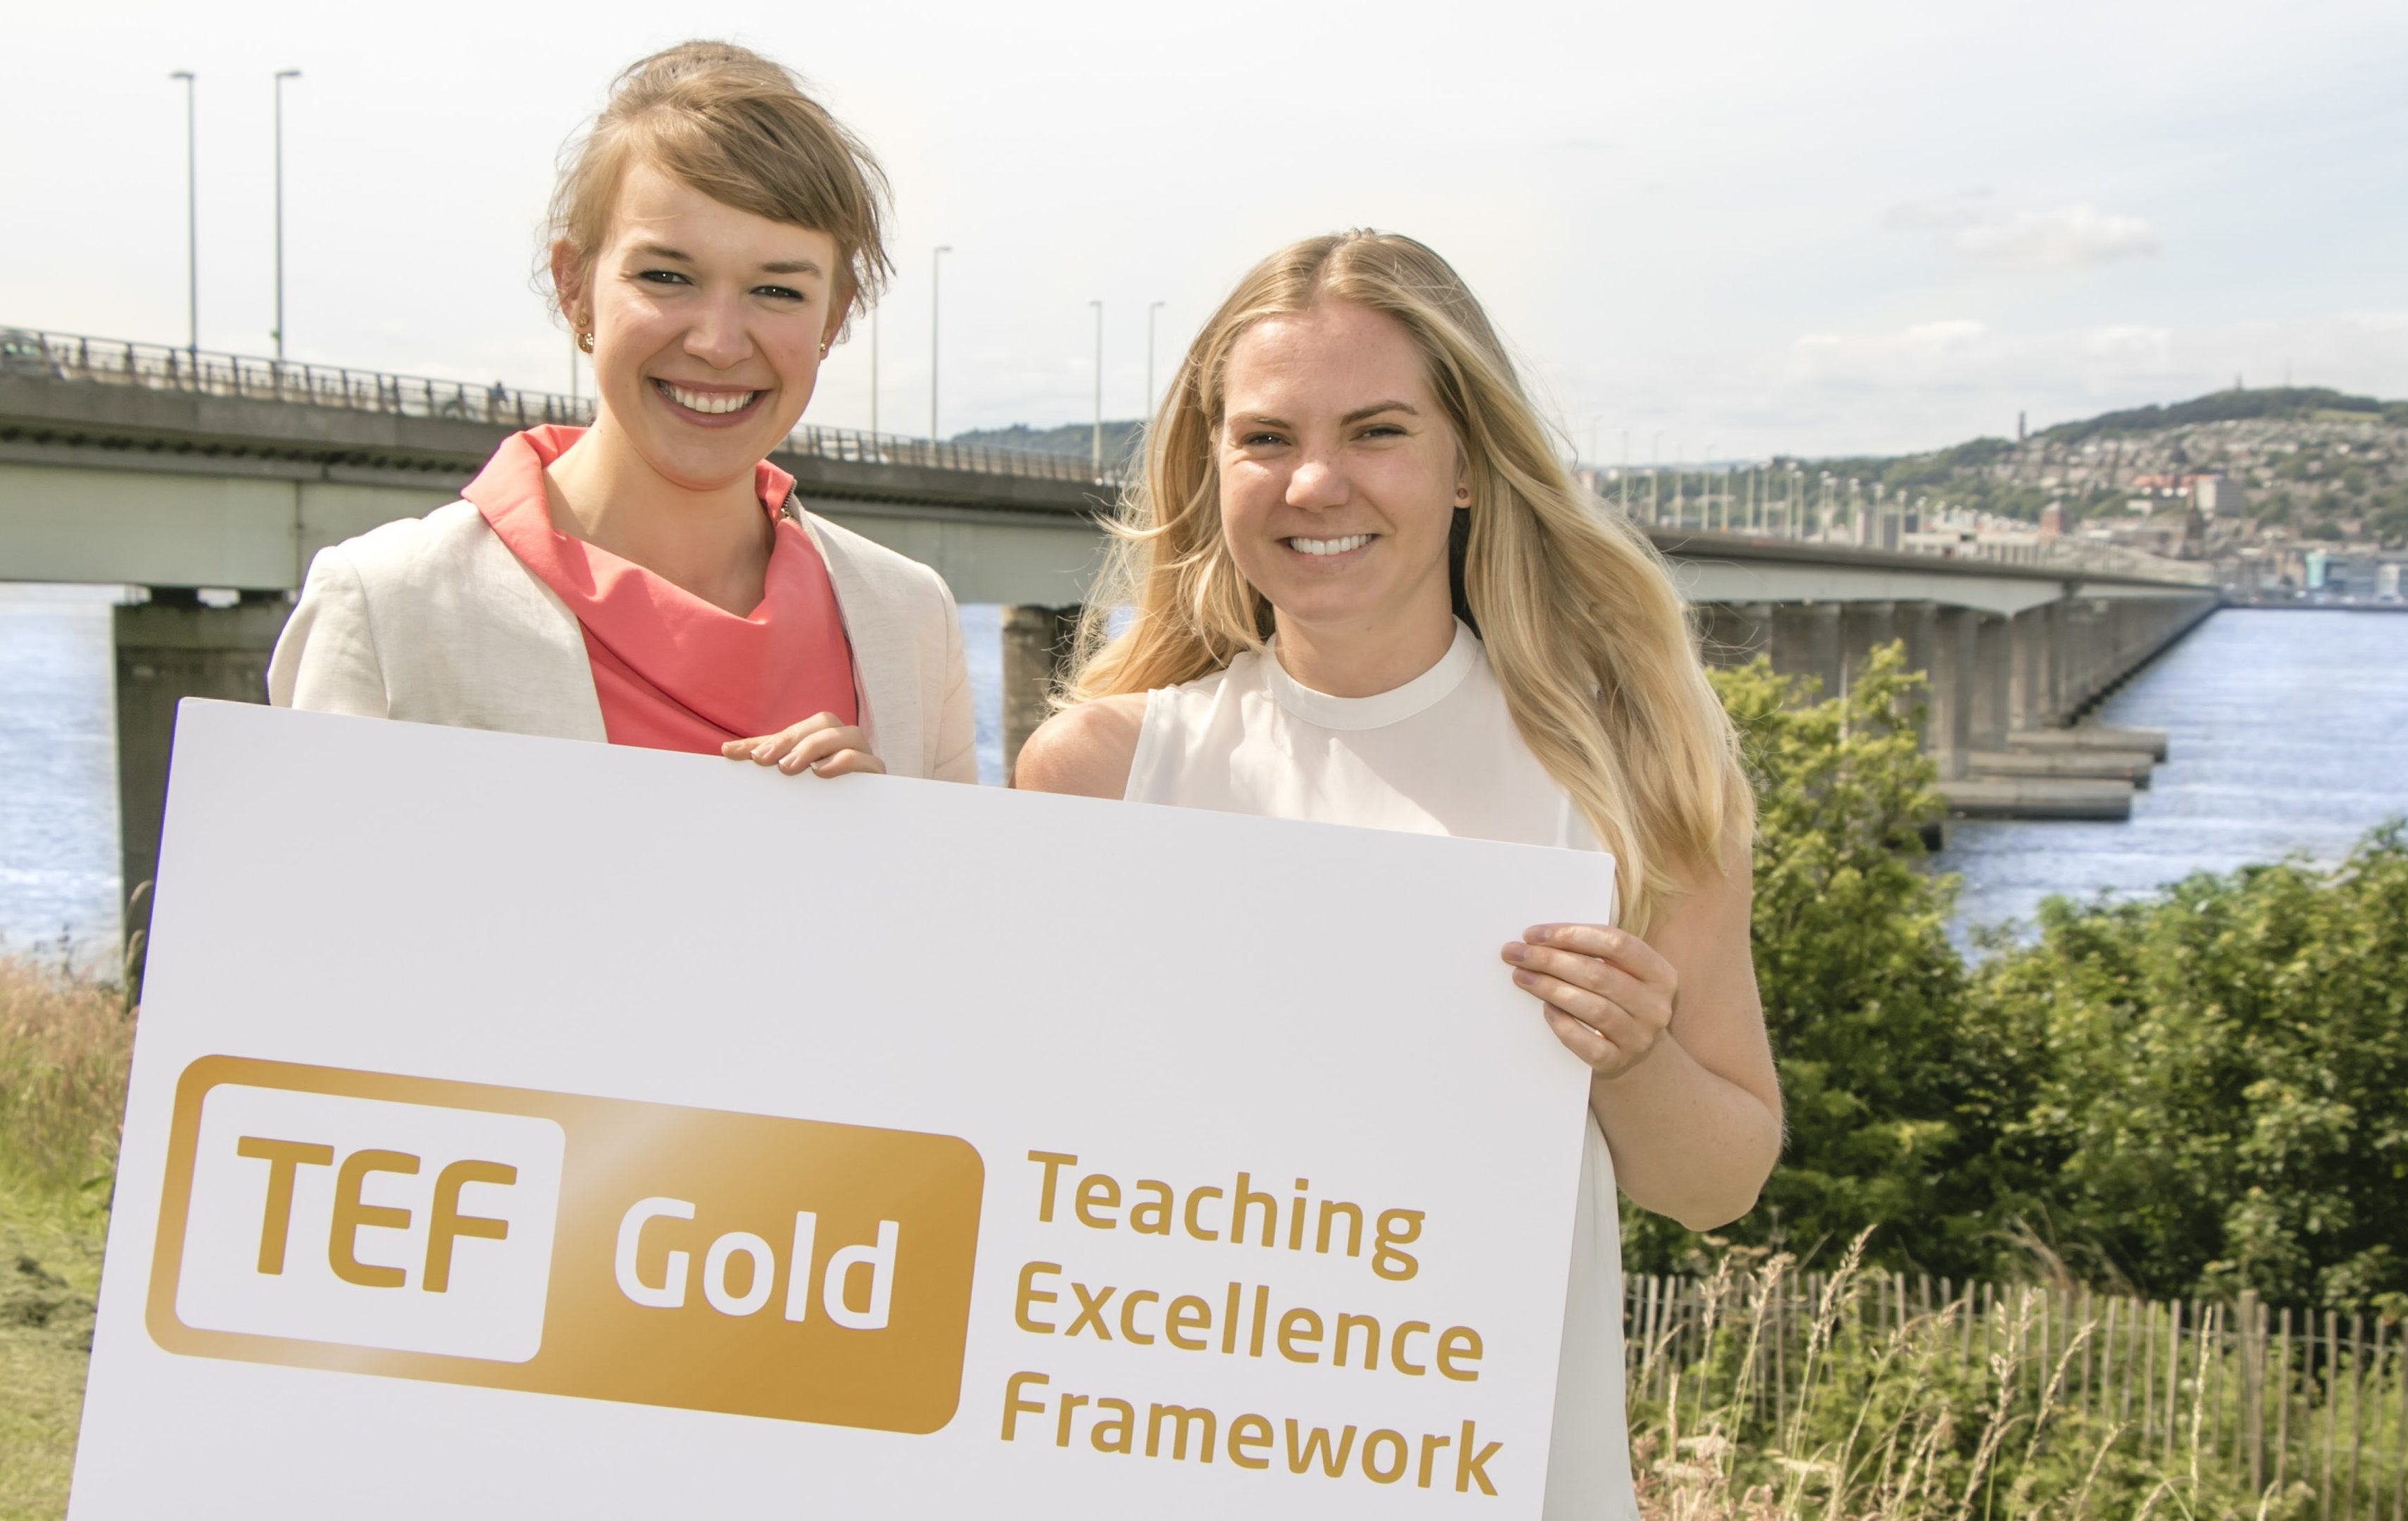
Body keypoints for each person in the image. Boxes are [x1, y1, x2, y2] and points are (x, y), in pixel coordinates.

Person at [1017, 230, 1780, 1514]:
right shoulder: (1094, 773)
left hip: (1499, 1474)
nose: (1316, 482)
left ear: (1470, 463)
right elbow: (1005, 1140)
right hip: (1166, 1461)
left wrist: (1631, 1057)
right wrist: (847, 838)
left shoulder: (1626, 773)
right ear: (1211, 469)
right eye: (1265, 438)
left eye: (1376, 430)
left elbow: (1718, 1185)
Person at [270, 42, 974, 784]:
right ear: (574, 286)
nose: (718, 343)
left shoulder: (910, 620)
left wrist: (882, 841)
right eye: (667, 276)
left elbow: (957, 900)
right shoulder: (390, 606)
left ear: (834, 314)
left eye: (778, 291)